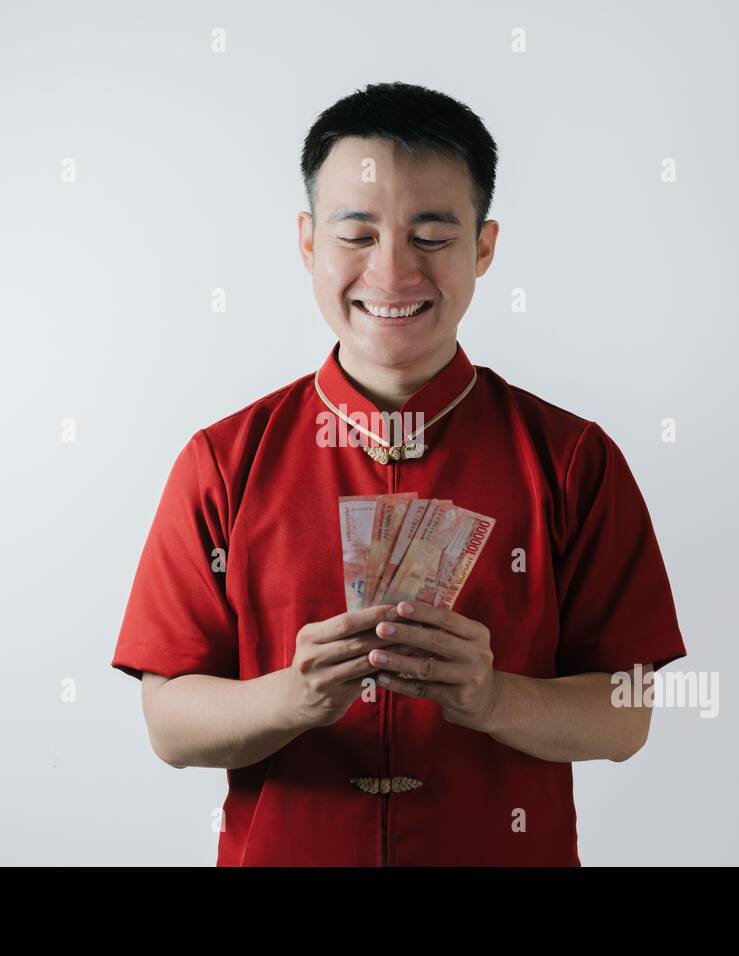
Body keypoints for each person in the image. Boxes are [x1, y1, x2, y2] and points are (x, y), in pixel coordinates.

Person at [111, 81, 687, 866]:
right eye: (356, 234)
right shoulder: (224, 461)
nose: (390, 272)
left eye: (431, 236)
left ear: (484, 248)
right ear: (308, 242)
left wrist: (491, 697)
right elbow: (168, 725)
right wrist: (295, 696)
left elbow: (627, 715)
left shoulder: (573, 459)